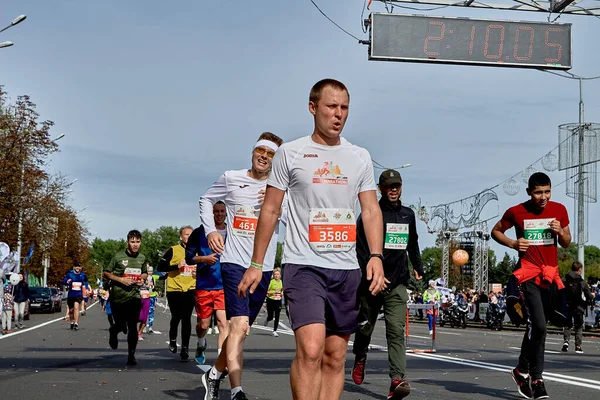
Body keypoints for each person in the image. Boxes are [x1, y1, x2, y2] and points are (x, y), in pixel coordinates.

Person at [241, 79, 386, 400]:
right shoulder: (291, 154)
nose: (338, 114)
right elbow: (270, 209)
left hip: (346, 270)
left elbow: (371, 210)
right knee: (310, 348)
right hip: (303, 265)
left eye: (344, 108)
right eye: (331, 107)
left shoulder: (359, 156)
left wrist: (375, 255)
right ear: (313, 107)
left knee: (334, 356)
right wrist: (255, 263)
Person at [200, 132, 284, 400]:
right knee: (238, 325)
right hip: (235, 263)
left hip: (264, 266)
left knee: (243, 330)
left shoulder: (280, 187)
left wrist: (278, 208)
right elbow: (206, 199)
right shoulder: (231, 178)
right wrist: (211, 230)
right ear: (252, 151)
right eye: (261, 150)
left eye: (270, 154)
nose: (264, 156)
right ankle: (237, 391)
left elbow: (294, 220)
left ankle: (213, 374)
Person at [492, 172, 571, 400]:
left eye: (547, 191)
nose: (543, 197)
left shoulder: (559, 210)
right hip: (528, 276)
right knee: (539, 325)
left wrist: (560, 232)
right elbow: (496, 231)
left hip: (551, 277)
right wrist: (513, 243)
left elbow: (566, 241)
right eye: (538, 192)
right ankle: (530, 375)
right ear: (529, 192)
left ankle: (528, 374)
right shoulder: (516, 211)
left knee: (541, 329)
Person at [351, 169, 424, 399]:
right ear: (381, 189)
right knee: (365, 328)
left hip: (397, 283)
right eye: (389, 186)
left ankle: (397, 380)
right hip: (372, 283)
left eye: (397, 186)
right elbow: (361, 250)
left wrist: (418, 267)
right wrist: (372, 275)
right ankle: (360, 356)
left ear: (401, 188)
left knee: (396, 331)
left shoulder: (407, 214)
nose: (393, 189)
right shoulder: (370, 213)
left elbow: (413, 244)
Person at [185, 201, 229, 365]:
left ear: (226, 213)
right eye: (216, 211)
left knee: (223, 323)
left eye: (221, 211)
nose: (219, 214)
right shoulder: (199, 233)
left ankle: (220, 360)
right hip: (204, 284)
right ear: (210, 214)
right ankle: (201, 342)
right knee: (203, 325)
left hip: (224, 284)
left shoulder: (231, 231)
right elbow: (189, 258)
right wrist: (204, 259)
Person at [103, 229, 148, 366]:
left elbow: (145, 273)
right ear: (127, 242)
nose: (135, 245)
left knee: (133, 326)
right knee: (122, 326)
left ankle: (131, 355)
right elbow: (106, 272)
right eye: (132, 242)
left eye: (138, 242)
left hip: (134, 296)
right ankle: (113, 331)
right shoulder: (118, 257)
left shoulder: (142, 258)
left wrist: (141, 279)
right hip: (118, 297)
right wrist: (121, 280)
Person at [157, 225, 196, 361]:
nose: (189, 237)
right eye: (186, 234)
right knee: (176, 317)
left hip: (190, 289)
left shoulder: (197, 251)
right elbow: (160, 267)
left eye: (191, 234)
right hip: (174, 289)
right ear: (181, 237)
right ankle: (172, 340)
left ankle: (185, 348)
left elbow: (205, 267)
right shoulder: (173, 250)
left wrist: (200, 271)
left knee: (187, 319)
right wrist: (175, 267)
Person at [561, 261, 592, 353]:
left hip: (567, 305)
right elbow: (588, 295)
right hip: (578, 306)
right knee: (578, 326)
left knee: (567, 324)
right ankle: (578, 346)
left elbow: (559, 288)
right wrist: (591, 296)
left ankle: (566, 342)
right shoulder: (581, 281)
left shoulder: (565, 279)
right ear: (579, 269)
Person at [62, 262, 90, 330]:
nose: (77, 268)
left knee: (76, 307)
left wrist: (86, 288)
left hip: (78, 294)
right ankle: (72, 322)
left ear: (80, 268)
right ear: (73, 267)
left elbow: (86, 281)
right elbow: (63, 281)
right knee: (71, 310)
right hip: (71, 294)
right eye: (76, 266)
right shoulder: (70, 274)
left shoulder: (83, 275)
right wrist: (67, 281)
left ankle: (76, 323)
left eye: (79, 266)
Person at [263, 267, 283, 337]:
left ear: (280, 275)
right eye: (275, 274)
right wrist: (274, 292)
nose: (276, 276)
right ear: (273, 275)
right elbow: (267, 292)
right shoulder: (271, 282)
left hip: (278, 301)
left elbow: (282, 289)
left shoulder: (281, 282)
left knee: (277, 316)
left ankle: (275, 331)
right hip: (271, 300)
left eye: (278, 274)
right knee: (271, 316)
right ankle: (268, 319)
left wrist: (282, 292)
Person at [146, 265, 160, 334]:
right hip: (145, 296)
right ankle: (143, 326)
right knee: (145, 312)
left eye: (151, 271)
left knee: (151, 311)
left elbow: (163, 277)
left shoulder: (154, 277)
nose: (149, 272)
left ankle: (150, 327)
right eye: (148, 271)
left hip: (152, 296)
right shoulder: (144, 277)